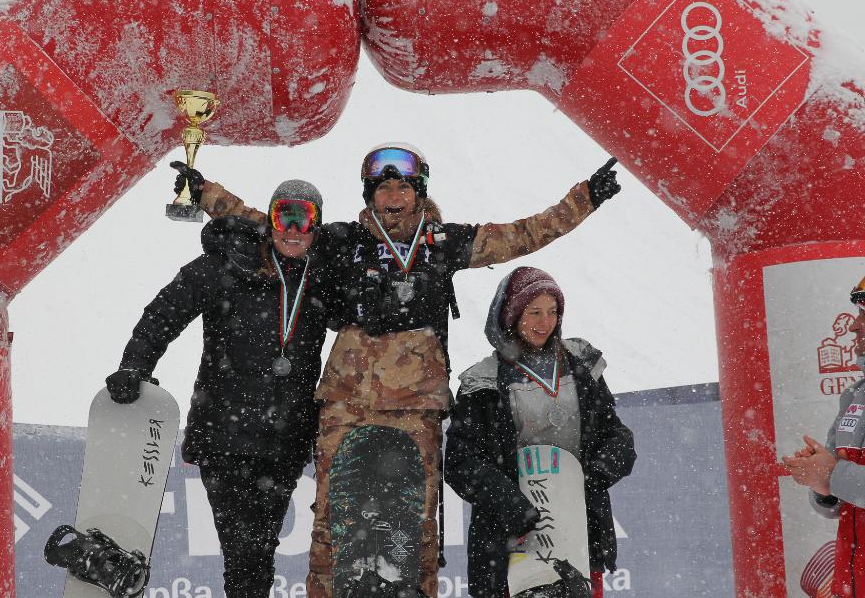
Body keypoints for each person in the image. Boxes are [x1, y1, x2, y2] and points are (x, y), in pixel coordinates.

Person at [176, 142, 622, 597]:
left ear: (419, 193)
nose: (394, 197)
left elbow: (523, 234)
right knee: (332, 519)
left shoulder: (444, 243)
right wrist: (206, 193)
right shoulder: (343, 240)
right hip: (347, 403)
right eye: (384, 188)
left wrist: (584, 198)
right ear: (370, 194)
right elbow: (276, 224)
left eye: (404, 188)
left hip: (417, 406)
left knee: (417, 524)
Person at [104, 180, 338, 598]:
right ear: (270, 221)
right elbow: (163, 313)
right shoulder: (227, 264)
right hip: (224, 436)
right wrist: (134, 365)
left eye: (304, 220)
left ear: (317, 228)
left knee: (259, 552)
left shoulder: (322, 276)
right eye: (283, 216)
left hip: (285, 439)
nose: (292, 229)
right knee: (243, 552)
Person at [444, 267, 636, 598]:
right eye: (534, 312)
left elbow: (617, 436)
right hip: (508, 538)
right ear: (511, 314)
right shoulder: (482, 382)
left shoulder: (581, 364)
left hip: (578, 533)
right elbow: (461, 462)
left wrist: (591, 478)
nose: (545, 322)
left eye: (552, 311)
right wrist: (510, 504)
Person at [784, 275, 865, 598]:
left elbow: (842, 478)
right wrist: (824, 486)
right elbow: (840, 502)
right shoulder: (855, 395)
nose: (854, 326)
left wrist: (834, 475)